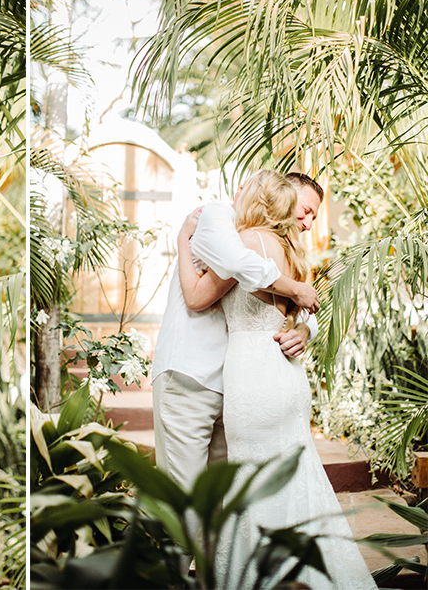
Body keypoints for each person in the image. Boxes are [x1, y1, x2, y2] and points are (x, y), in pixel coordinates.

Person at [177, 170, 375, 589]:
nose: (308, 222)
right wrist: (302, 327)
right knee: (296, 478)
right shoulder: (289, 252)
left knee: (254, 482)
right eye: (306, 210)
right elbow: (299, 304)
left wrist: (181, 241)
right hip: (288, 382)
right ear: (286, 199)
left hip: (252, 380)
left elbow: (197, 298)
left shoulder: (243, 243)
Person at [151, 172, 322, 492]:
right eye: (306, 209)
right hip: (190, 376)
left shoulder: (280, 246)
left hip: (239, 386)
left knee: (220, 501)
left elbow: (305, 305)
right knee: (185, 495)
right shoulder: (220, 217)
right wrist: (296, 290)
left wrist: (304, 329)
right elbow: (237, 264)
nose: (307, 222)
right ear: (280, 194)